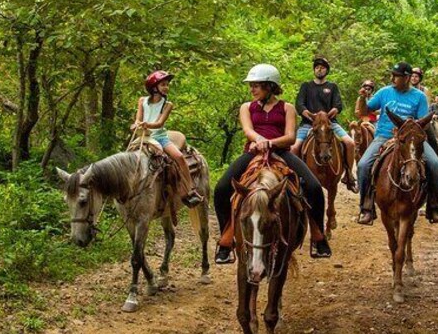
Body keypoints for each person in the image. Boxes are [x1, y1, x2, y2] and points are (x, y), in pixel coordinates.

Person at [213, 64, 332, 264]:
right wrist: (260, 141)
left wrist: (271, 143)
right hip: (253, 153)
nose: (252, 90)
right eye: (251, 86)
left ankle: (318, 236)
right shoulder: (246, 107)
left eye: (256, 86)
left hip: (281, 153)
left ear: (269, 86)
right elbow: (248, 131)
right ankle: (226, 238)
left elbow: (291, 137)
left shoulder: (287, 108)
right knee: (222, 188)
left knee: (313, 187)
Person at [354, 62, 438, 225]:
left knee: (435, 164)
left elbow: (422, 122)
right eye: (393, 75)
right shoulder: (384, 92)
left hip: (411, 138)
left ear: (407, 78)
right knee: (363, 165)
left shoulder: (419, 97)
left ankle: (434, 205)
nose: (393, 78)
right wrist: (362, 97)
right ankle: (366, 207)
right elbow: (363, 111)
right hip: (384, 136)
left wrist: (405, 133)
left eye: (396, 76)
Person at [131, 70, 203, 207]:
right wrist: (136, 125)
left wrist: (147, 124)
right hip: (143, 137)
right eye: (163, 84)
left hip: (159, 137)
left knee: (179, 157)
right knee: (125, 159)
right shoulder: (142, 101)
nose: (166, 87)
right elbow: (138, 118)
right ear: (154, 87)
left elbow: (159, 123)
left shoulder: (167, 105)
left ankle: (190, 189)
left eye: (167, 84)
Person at [290, 57, 358, 193]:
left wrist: (333, 111)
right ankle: (295, 178)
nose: (319, 69)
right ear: (314, 70)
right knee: (294, 147)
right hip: (309, 124)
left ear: (326, 70)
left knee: (350, 143)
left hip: (329, 123)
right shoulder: (306, 86)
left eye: (322, 68)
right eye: (317, 67)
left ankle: (349, 175)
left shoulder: (332, 87)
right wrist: (308, 114)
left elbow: (338, 105)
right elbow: (299, 104)